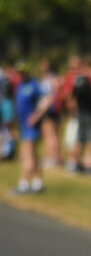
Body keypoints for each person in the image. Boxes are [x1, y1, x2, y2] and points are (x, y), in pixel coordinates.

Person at [11, 62, 46, 195]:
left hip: (31, 126)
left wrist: (36, 116)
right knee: (32, 155)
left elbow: (46, 100)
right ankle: (38, 183)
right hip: (23, 125)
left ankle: (24, 183)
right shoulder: (20, 85)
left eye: (23, 72)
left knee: (28, 155)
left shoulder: (34, 84)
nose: (21, 74)